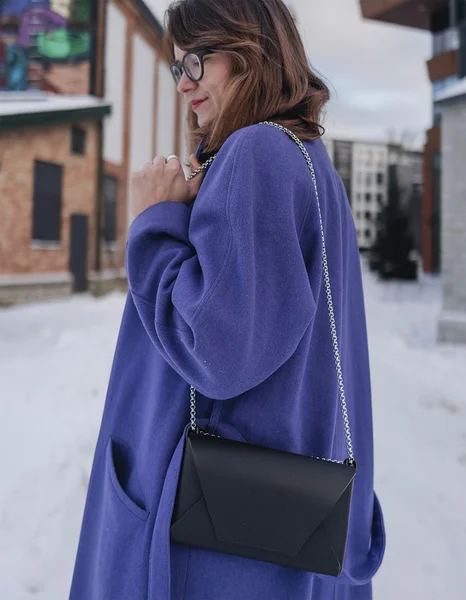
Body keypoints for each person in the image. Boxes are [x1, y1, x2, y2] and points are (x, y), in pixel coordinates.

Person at [69, 0, 385, 598]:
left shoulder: (257, 153)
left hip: (209, 550)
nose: (183, 82)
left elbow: (216, 348)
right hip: (271, 530)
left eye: (197, 59)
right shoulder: (309, 162)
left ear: (250, 49)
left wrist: (155, 220)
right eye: (177, 66)